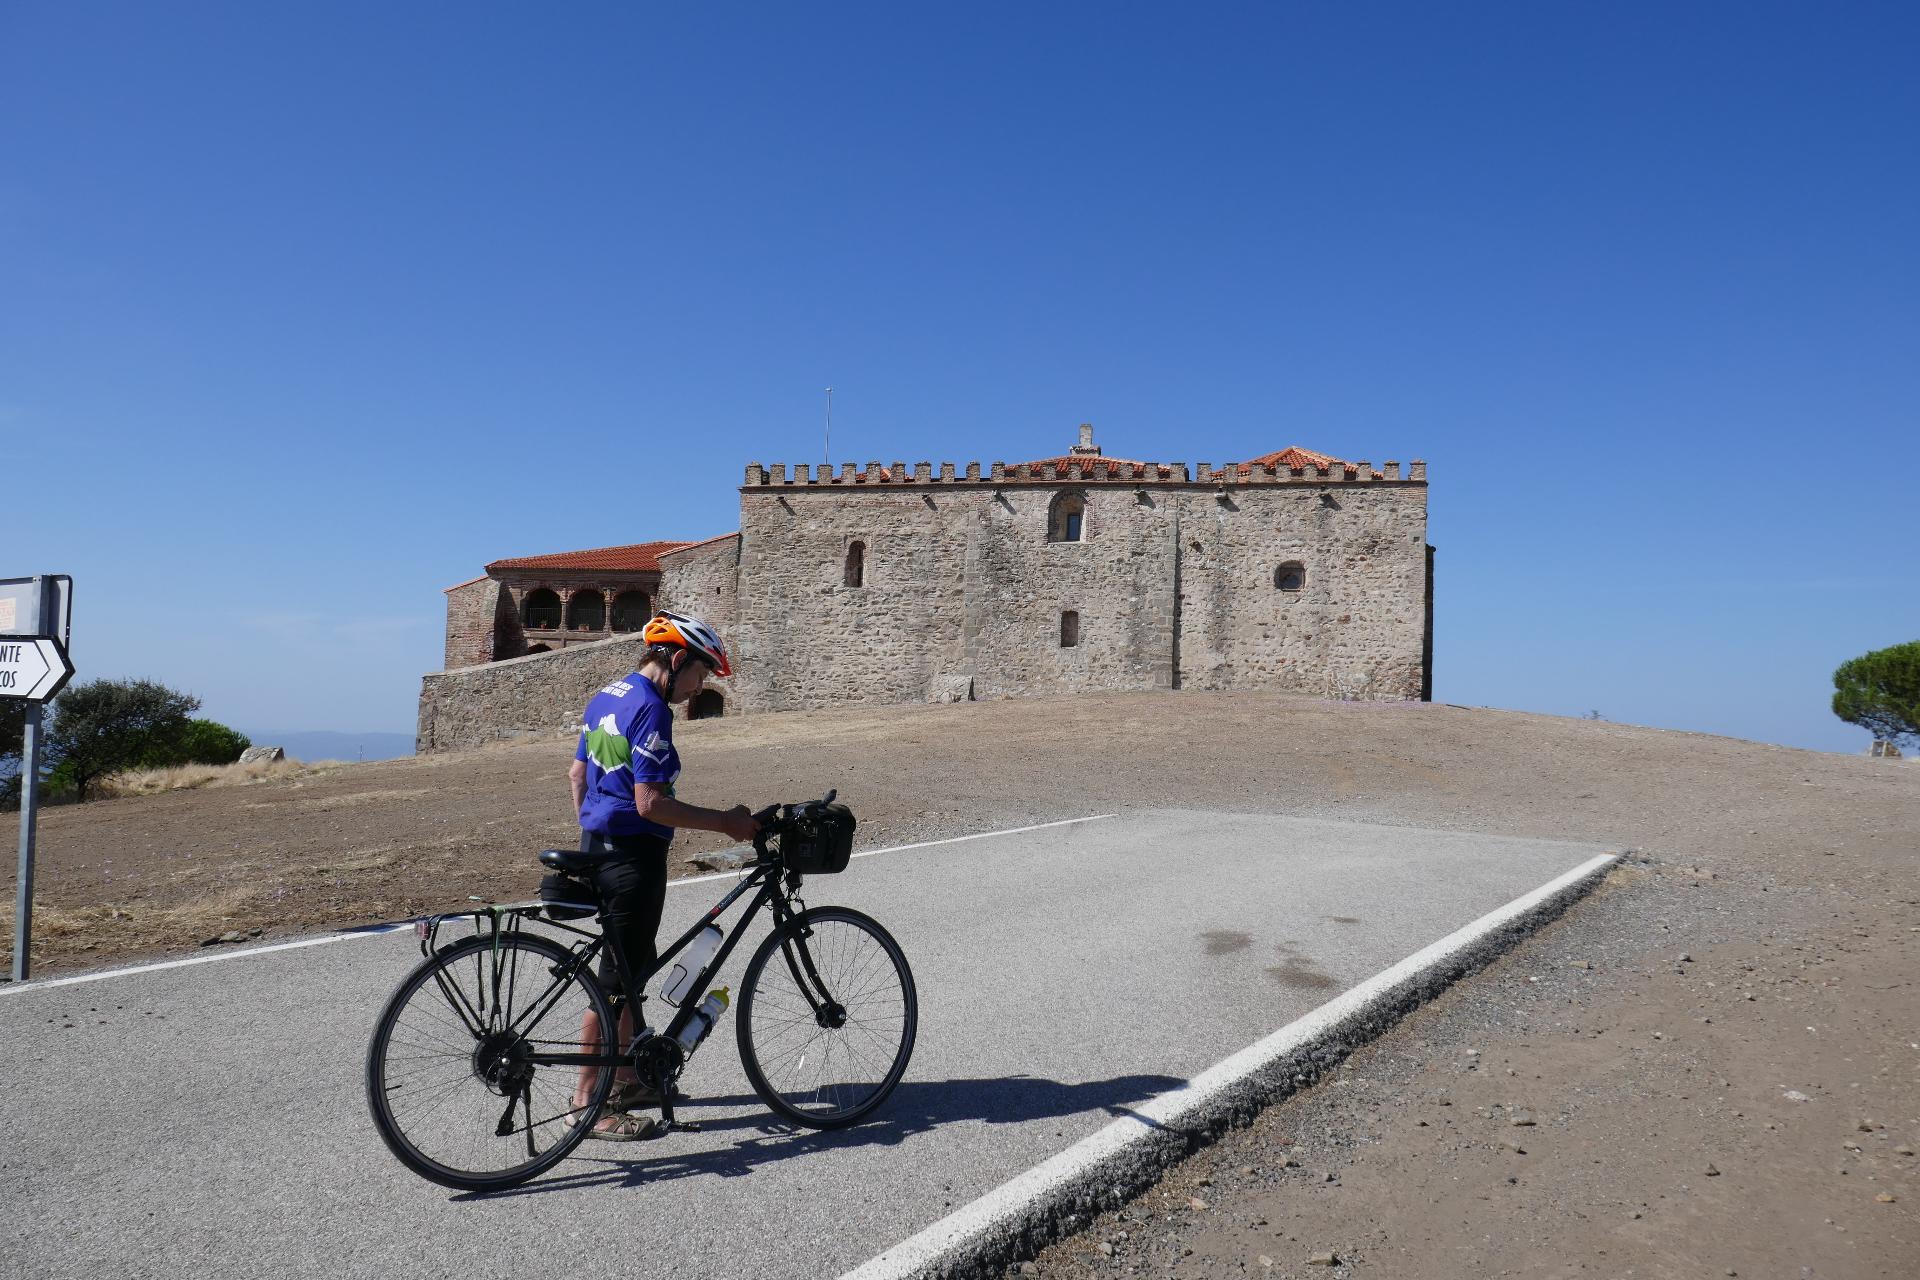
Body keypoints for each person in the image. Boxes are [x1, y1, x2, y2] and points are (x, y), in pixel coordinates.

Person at [566, 611, 758, 1140]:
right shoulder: (651, 708)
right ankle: (588, 1104)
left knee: (632, 973)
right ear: (676, 660)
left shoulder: (607, 696)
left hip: (598, 848)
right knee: (614, 986)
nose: (699, 686)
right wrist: (726, 823)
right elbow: (650, 803)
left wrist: (595, 834)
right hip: (633, 858)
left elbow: (577, 775)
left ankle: (628, 1078)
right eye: (700, 673)